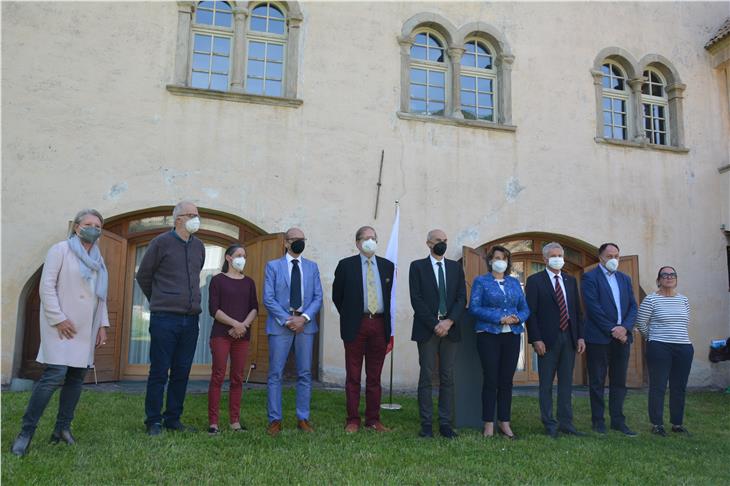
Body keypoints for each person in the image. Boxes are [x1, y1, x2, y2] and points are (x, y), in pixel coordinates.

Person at [11, 209, 110, 456]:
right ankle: (26, 432)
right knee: (53, 375)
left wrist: (102, 325)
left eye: (98, 226)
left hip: (86, 328)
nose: (94, 229)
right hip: (61, 326)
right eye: (88, 224)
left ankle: (62, 429)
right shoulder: (60, 250)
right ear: (77, 227)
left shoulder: (98, 258)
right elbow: (46, 287)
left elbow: (100, 295)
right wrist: (58, 319)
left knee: (76, 377)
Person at [136, 201, 206, 435]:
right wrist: (160, 299)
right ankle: (153, 420)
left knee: (182, 371)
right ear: (178, 219)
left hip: (191, 320)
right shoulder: (161, 243)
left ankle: (173, 418)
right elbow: (144, 276)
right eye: (192, 215)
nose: (196, 219)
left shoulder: (199, 247)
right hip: (164, 318)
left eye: (197, 215)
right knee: (159, 371)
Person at [332, 226, 394, 433]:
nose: (370, 241)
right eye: (366, 238)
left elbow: (389, 296)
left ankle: (373, 419)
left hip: (379, 324)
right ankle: (352, 419)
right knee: (353, 375)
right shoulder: (346, 265)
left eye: (373, 238)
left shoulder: (387, 266)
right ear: (358, 243)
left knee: (374, 376)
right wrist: (350, 315)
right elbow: (337, 296)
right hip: (356, 324)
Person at [263, 228, 323, 436]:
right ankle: (275, 420)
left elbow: (318, 297)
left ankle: (303, 418)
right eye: (295, 239)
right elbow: (268, 298)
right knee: (275, 374)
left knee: (305, 373)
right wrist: (288, 320)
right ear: (286, 243)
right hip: (281, 324)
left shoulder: (312, 267)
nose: (300, 242)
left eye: (302, 239)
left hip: (305, 325)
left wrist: (303, 318)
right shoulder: (273, 266)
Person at [409, 229, 466, 439]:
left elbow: (461, 298)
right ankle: (426, 424)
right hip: (427, 329)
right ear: (428, 243)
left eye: (445, 240)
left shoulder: (455, 268)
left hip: (451, 329)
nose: (442, 243)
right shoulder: (417, 267)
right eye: (438, 240)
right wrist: (435, 324)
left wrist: (449, 322)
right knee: (426, 376)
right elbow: (416, 299)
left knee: (447, 377)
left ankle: (445, 423)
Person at [468, 245, 529, 439]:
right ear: (490, 261)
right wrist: (499, 318)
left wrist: (517, 318)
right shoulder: (481, 281)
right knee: (491, 379)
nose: (500, 261)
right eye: (497, 258)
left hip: (512, 335)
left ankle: (504, 422)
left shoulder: (514, 282)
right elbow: (474, 308)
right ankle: (488, 423)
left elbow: (525, 308)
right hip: (488, 334)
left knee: (506, 380)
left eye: (504, 258)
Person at [525, 242, 585, 439]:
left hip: (569, 337)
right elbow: (531, 313)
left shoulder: (570, 280)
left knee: (566, 383)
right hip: (547, 340)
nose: (558, 258)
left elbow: (577, 311)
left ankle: (566, 423)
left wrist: (580, 336)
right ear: (545, 259)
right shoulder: (535, 281)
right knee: (546, 384)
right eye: (553, 255)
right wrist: (536, 339)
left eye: (560, 255)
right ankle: (549, 423)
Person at [581, 242, 638, 436]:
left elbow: (633, 306)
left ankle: (618, 421)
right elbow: (593, 308)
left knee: (619, 381)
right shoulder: (590, 277)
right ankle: (598, 421)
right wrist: (613, 329)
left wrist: (625, 328)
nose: (614, 259)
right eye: (609, 256)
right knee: (597, 381)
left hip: (622, 338)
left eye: (616, 256)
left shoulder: (624, 278)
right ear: (600, 257)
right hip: (599, 338)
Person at [207, 244, 258, 435]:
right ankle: (213, 422)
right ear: (228, 258)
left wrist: (243, 326)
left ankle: (234, 421)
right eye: (238, 255)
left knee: (237, 378)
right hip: (221, 335)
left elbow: (254, 308)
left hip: (242, 336)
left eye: (244, 255)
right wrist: (235, 324)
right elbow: (214, 309)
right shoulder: (217, 280)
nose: (242, 259)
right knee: (218, 376)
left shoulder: (249, 282)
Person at [635, 266, 693, 437]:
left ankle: (677, 423)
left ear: (676, 279)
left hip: (684, 347)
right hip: (659, 347)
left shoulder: (683, 300)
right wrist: (652, 338)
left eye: (672, 275)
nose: (669, 277)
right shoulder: (651, 300)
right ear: (658, 280)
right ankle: (657, 424)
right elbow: (640, 322)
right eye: (665, 275)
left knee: (679, 387)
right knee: (658, 386)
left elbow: (684, 322)